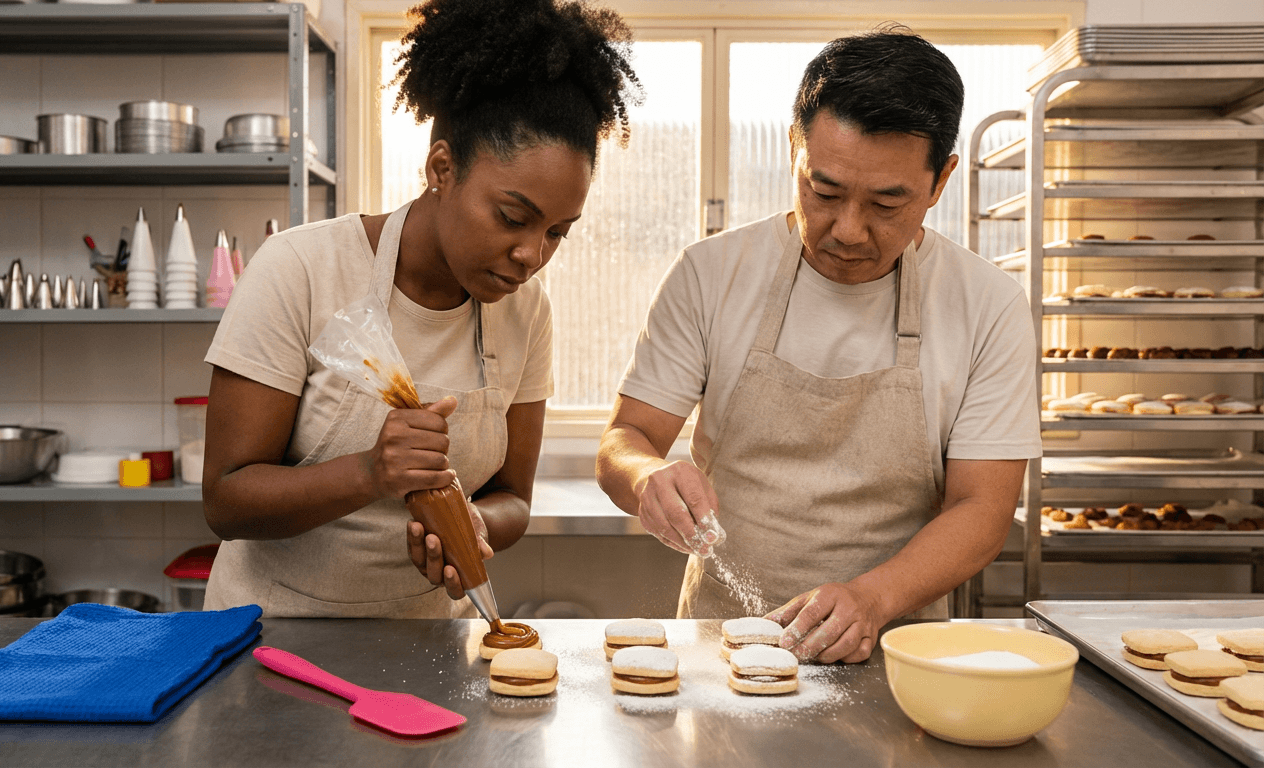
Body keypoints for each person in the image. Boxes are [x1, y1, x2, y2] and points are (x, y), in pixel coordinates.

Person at [596, 27, 1041, 663]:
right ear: (793, 150)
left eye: (886, 203)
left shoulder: (987, 305)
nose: (848, 230)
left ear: (940, 181)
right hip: (722, 647)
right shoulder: (711, 274)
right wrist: (646, 476)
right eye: (824, 192)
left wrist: (872, 598)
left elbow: (983, 509)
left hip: (897, 656)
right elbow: (625, 439)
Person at [200, 0, 639, 618]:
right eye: (512, 217)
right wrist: (369, 473)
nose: (531, 255)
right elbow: (226, 502)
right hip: (277, 634)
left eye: (557, 232)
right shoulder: (300, 269)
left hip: (432, 640)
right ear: (441, 167)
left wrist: (475, 525)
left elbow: (514, 497)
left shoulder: (526, 312)